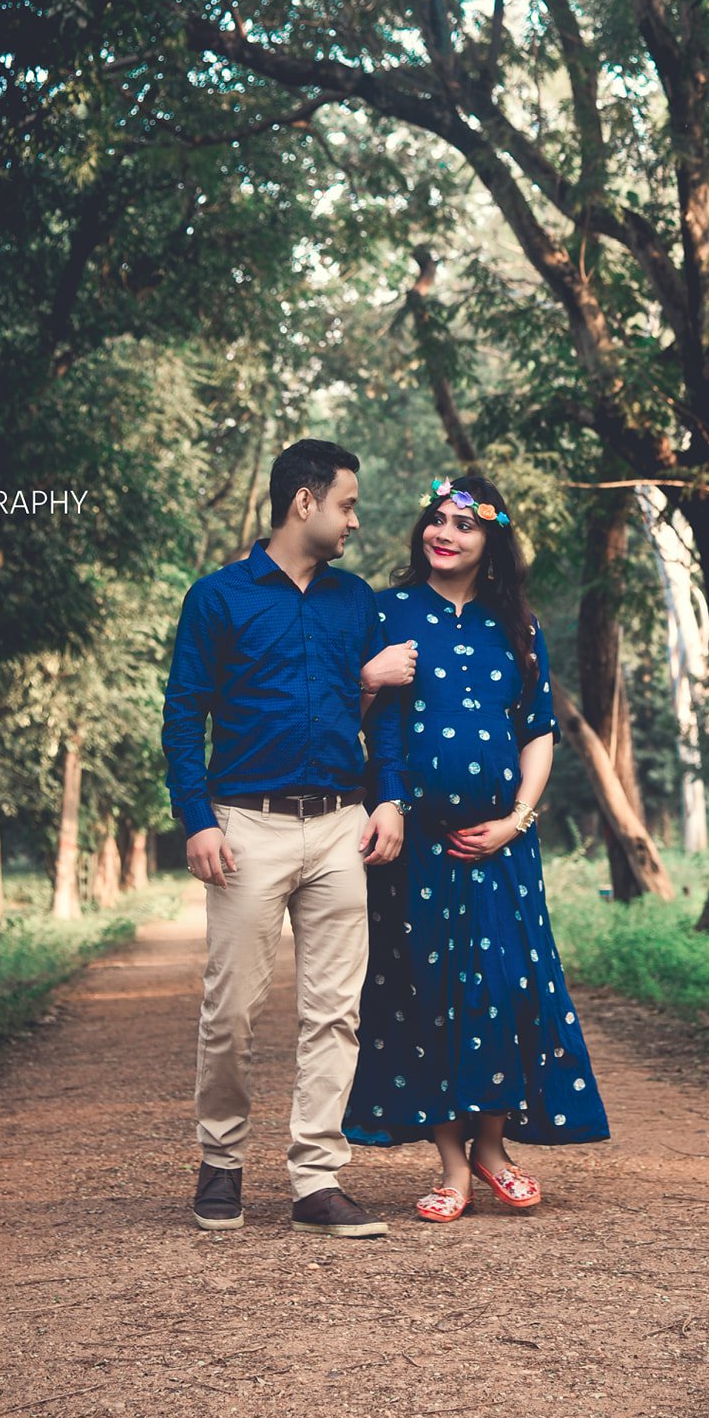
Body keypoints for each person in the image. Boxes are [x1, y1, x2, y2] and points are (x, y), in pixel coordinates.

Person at [161, 439, 413, 1239]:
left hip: (342, 825)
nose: (354, 521)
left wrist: (390, 799)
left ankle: (316, 1178)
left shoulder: (355, 600)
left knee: (335, 1012)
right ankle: (221, 1162)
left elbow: (383, 714)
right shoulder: (217, 598)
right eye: (347, 504)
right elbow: (182, 714)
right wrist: (198, 819)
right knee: (231, 1010)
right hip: (246, 827)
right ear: (304, 502)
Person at [346, 473, 609, 1220]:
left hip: (500, 850)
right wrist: (368, 685)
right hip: (414, 848)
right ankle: (453, 1167)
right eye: (437, 519)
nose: (445, 533)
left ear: (491, 540)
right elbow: (362, 721)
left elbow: (538, 733)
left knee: (503, 989)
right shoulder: (387, 612)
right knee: (424, 994)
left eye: (464, 524)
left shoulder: (519, 626)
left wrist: (516, 820)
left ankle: (493, 1148)